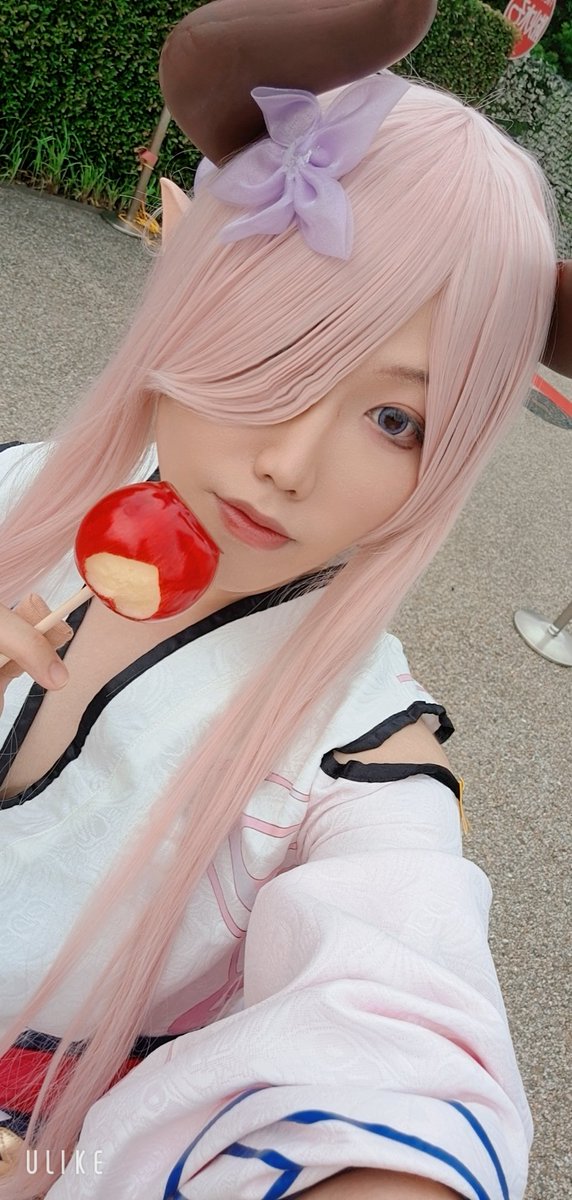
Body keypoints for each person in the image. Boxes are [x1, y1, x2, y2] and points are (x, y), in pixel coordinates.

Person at [0, 59, 557, 1200]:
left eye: (395, 417)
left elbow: (405, 1029)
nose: (289, 463)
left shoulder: (354, 755)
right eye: (285, 343)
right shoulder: (22, 494)